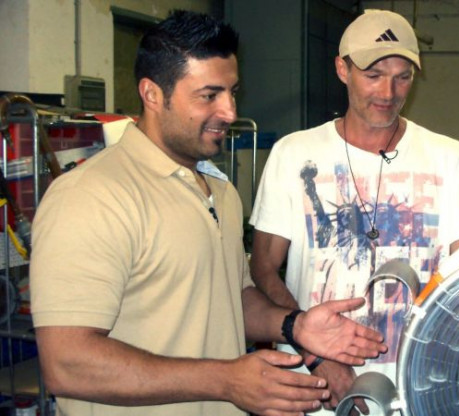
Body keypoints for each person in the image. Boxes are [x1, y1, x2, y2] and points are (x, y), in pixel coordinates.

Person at [29, 10, 387, 416]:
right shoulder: (91, 197)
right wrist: (226, 380)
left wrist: (294, 326)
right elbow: (67, 364)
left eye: (232, 92)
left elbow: (234, 298)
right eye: (209, 95)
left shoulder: (220, 192)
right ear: (152, 94)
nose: (230, 111)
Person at [249, 9, 459, 413]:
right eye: (373, 75)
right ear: (342, 69)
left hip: (420, 385)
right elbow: (263, 267)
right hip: (315, 386)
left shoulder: (448, 157)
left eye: (402, 77)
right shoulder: (293, 154)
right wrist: (317, 356)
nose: (388, 92)